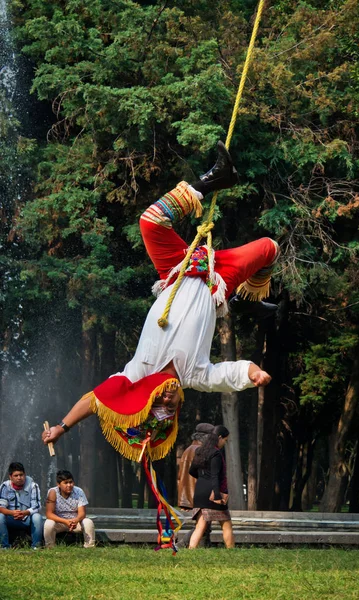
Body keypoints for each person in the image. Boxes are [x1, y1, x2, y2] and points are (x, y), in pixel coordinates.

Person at [42, 142, 279, 462]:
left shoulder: (140, 371)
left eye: (160, 402)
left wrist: (62, 426)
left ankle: (213, 180)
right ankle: (239, 299)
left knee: (150, 220)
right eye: (172, 404)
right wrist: (252, 372)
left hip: (177, 269)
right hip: (215, 281)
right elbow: (227, 375)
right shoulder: (193, 375)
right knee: (269, 248)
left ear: (145, 397)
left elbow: (96, 399)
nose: (169, 397)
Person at [188, 425, 234, 549]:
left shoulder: (199, 451)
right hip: (213, 493)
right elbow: (215, 476)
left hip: (199, 491)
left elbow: (192, 471)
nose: (225, 443)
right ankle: (232, 551)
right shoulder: (216, 454)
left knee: (200, 526)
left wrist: (203, 477)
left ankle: (191, 550)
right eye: (225, 440)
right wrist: (218, 496)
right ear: (219, 437)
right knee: (226, 524)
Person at [177, 422, 214, 548]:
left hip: (193, 492)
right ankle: (183, 545)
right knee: (203, 524)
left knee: (204, 523)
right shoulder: (201, 451)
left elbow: (181, 477)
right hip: (200, 492)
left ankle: (201, 546)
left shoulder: (189, 450)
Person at [44, 469, 95, 549]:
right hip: (59, 522)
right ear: (58, 484)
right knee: (48, 523)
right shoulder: (53, 492)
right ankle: (50, 547)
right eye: (65, 483)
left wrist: (76, 520)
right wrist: (65, 521)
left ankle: (89, 546)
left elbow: (82, 513)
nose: (69, 485)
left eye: (71, 482)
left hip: (75, 523)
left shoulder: (79, 491)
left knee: (88, 522)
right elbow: (49, 514)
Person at [0, 462, 43, 550]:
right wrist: (12, 513)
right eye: (16, 475)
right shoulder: (5, 486)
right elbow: (1, 507)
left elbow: (37, 506)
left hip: (27, 518)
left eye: (21, 475)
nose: (19, 478)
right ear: (10, 477)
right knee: (0, 517)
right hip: (10, 518)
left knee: (37, 517)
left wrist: (25, 513)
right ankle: (4, 547)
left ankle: (36, 547)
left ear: (25, 474)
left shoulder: (33, 485)